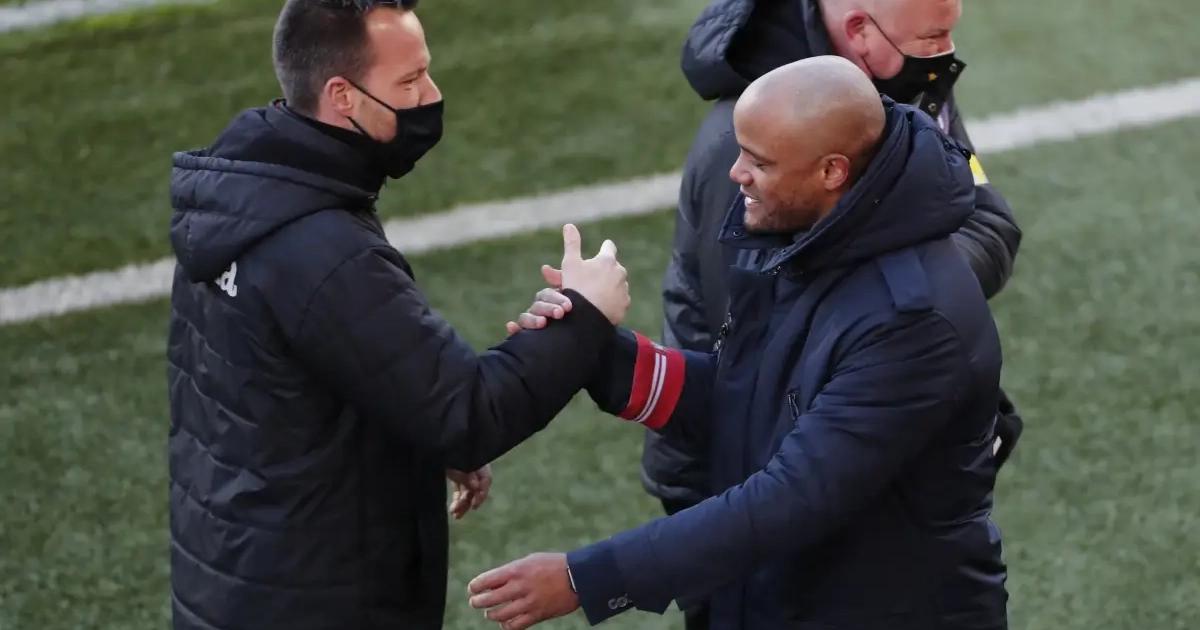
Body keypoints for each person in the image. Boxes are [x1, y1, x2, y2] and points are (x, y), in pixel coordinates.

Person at [473, 56, 1009, 630]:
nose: (735, 174)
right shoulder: (812, 237)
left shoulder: (915, 322)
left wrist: (588, 578)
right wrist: (596, 350)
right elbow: (755, 400)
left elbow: (792, 499)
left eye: (759, 161)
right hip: (795, 598)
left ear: (832, 171)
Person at [164, 2, 631, 629]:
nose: (431, 96)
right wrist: (587, 315)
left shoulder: (245, 197)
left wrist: (411, 423)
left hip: (235, 570)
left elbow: (288, 384)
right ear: (342, 96)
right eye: (409, 82)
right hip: (317, 600)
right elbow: (467, 414)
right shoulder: (324, 252)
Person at [646, 3, 1024, 625]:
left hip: (834, 478)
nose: (945, 54)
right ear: (858, 32)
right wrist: (587, 578)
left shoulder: (896, 85)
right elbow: (751, 373)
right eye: (933, 36)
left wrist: (902, 293)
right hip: (734, 484)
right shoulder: (755, 146)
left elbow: (988, 216)